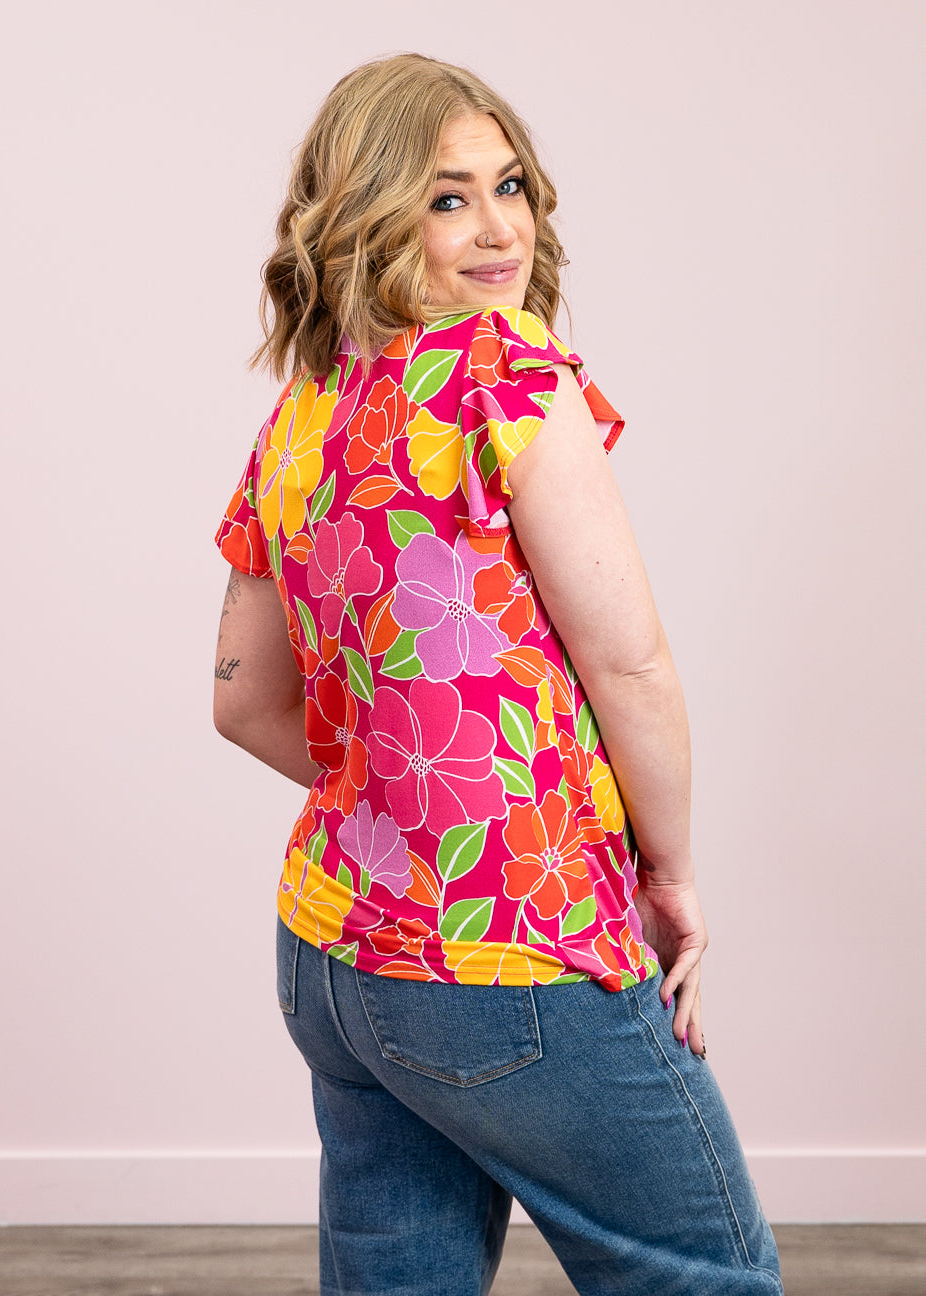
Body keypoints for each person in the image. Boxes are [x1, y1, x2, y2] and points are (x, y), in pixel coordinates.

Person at [213, 52, 784, 1296]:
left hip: (333, 956)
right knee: (707, 1277)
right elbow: (629, 664)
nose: (499, 228)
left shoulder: (299, 418)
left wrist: (404, 802)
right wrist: (670, 873)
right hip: (514, 947)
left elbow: (243, 700)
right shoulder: (504, 371)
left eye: (509, 186)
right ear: (366, 215)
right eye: (447, 197)